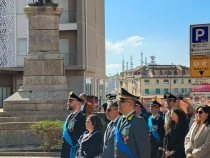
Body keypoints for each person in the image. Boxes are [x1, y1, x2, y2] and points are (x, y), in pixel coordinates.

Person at [115, 88, 151, 158]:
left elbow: (144, 149)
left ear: (129, 104)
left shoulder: (138, 122)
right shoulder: (120, 119)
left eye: (121, 101)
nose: (118, 103)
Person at [61, 91, 86, 158]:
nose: (68, 103)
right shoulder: (70, 116)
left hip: (74, 151)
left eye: (71, 102)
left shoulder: (82, 117)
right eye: (68, 101)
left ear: (77, 104)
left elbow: (82, 136)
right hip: (66, 150)